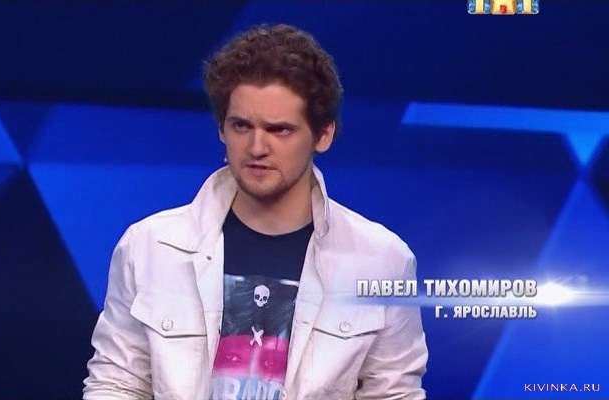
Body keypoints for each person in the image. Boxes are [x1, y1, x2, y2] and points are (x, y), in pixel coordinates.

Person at [83, 23, 428, 400]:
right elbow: (116, 384)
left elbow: (393, 394)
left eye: (279, 130)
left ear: (323, 134)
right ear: (222, 129)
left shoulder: (382, 260)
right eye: (241, 126)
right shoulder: (149, 248)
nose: (256, 147)